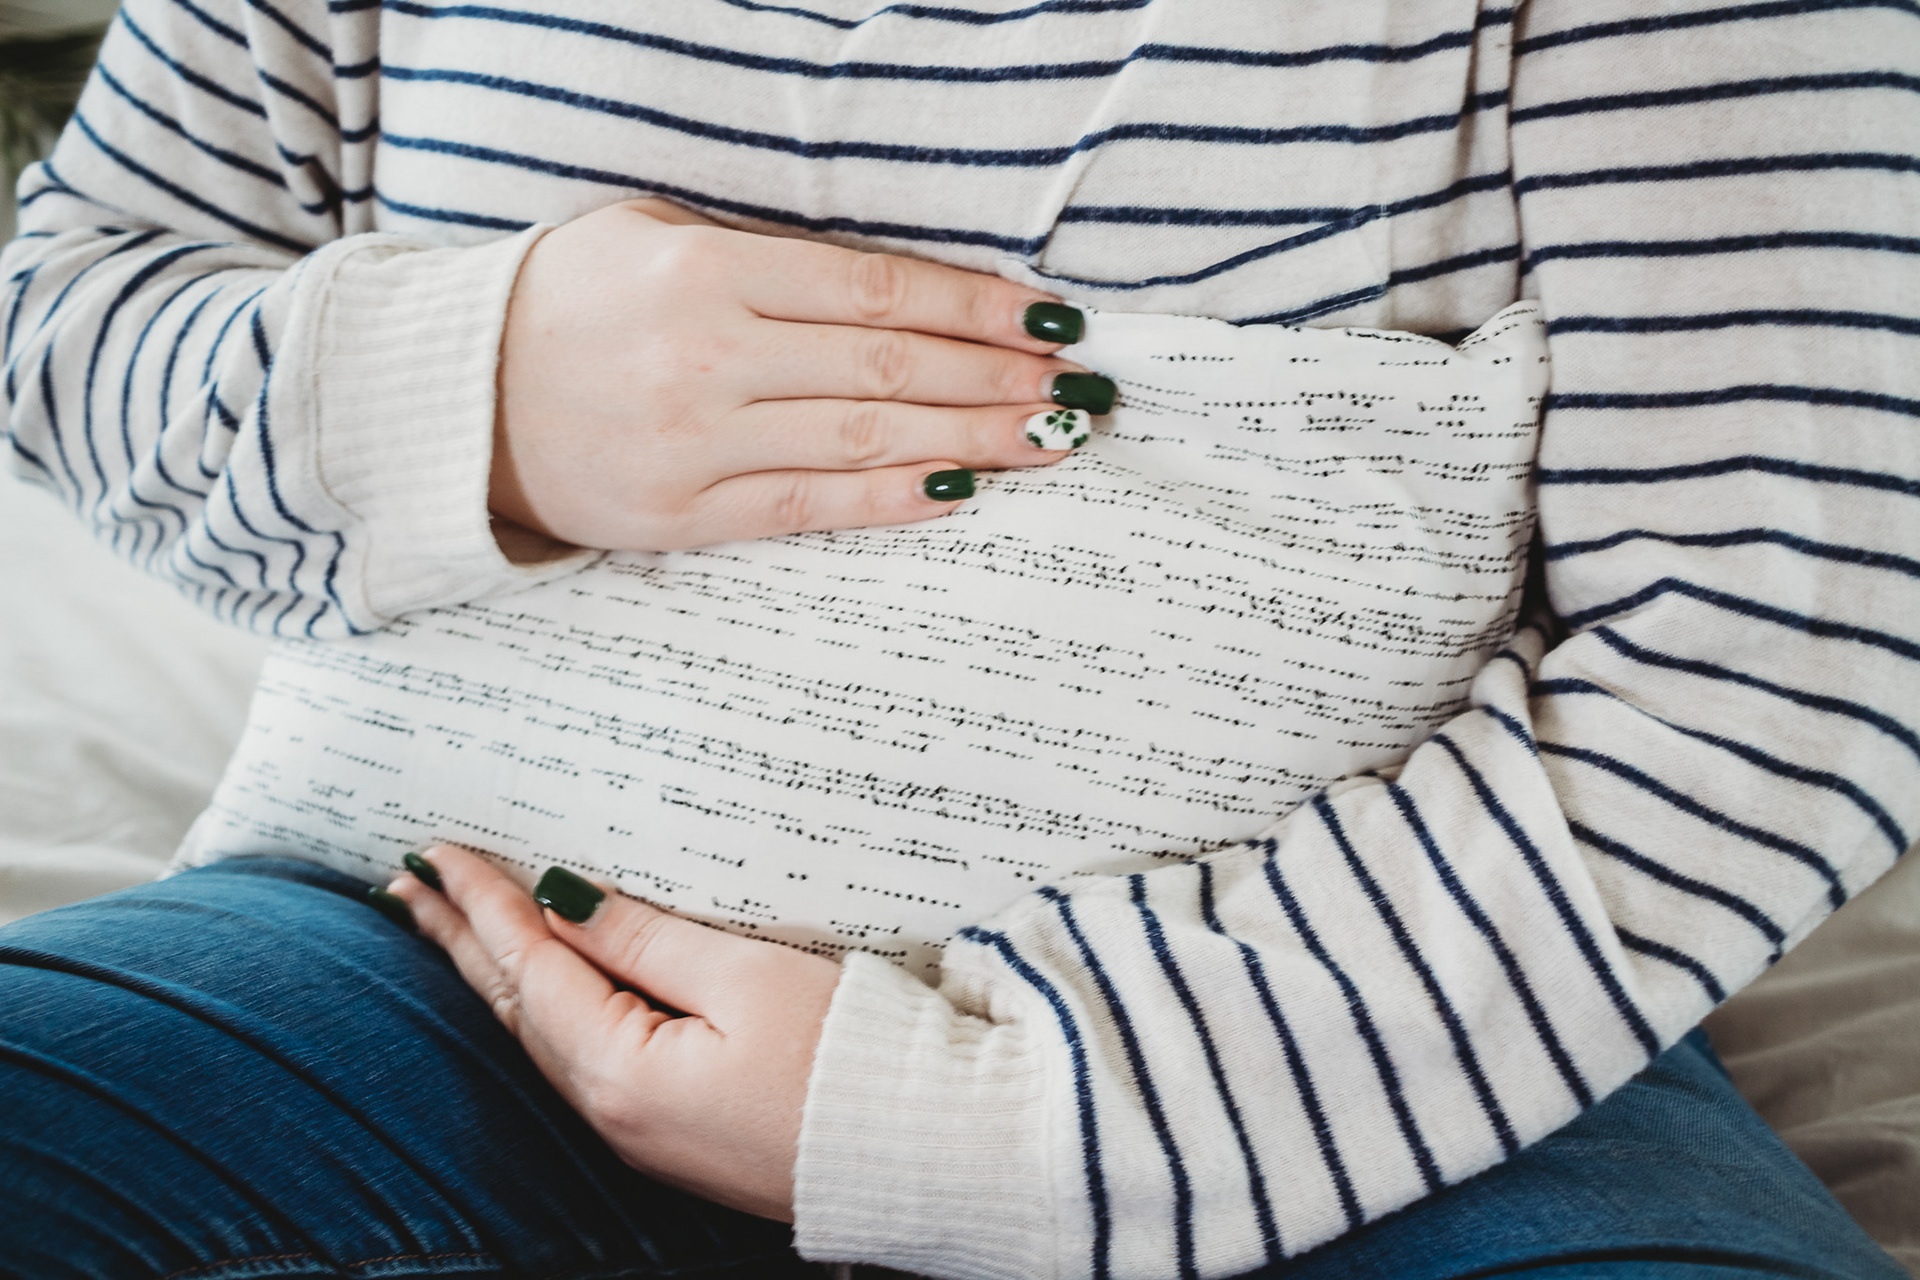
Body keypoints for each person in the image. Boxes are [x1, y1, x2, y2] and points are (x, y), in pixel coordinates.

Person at [2, 1, 1915, 1277]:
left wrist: (1008, 1127)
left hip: (1357, 1055)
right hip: (428, 960)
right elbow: (64, 327)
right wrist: (471, 392)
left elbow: (1770, 657)